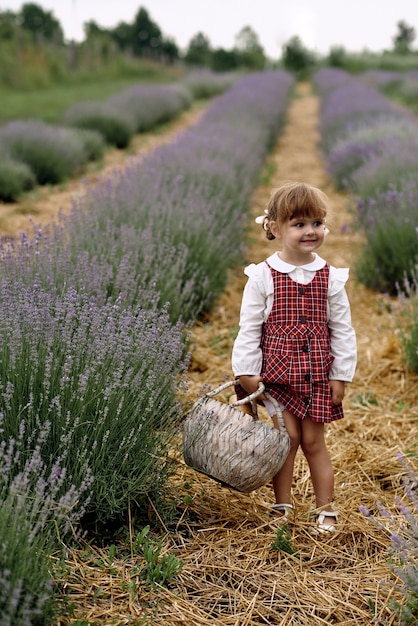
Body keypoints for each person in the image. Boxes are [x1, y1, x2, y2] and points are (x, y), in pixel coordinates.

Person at [231, 182, 357, 532]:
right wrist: (246, 372)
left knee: (315, 441)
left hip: (317, 374)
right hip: (278, 377)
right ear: (275, 228)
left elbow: (342, 330)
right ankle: (282, 505)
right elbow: (250, 328)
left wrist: (340, 375)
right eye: (298, 224)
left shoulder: (330, 277)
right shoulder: (263, 276)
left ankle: (326, 509)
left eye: (316, 223)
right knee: (286, 441)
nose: (310, 231)